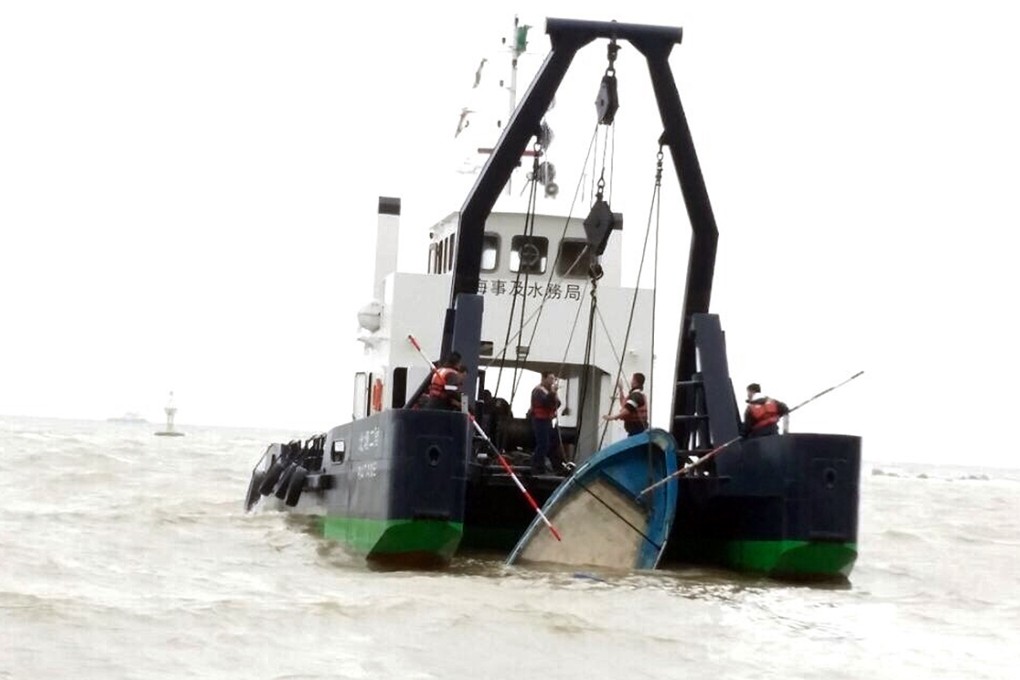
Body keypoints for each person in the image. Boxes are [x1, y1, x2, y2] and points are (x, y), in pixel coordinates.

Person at [530, 372, 566, 475]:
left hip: (547, 420)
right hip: (539, 420)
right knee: (543, 444)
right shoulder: (538, 391)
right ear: (544, 378)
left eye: (554, 379)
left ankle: (551, 465)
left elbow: (557, 403)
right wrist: (552, 393)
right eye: (550, 378)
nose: (552, 381)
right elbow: (545, 402)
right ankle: (536, 466)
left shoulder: (549, 391)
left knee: (550, 443)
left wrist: (554, 395)